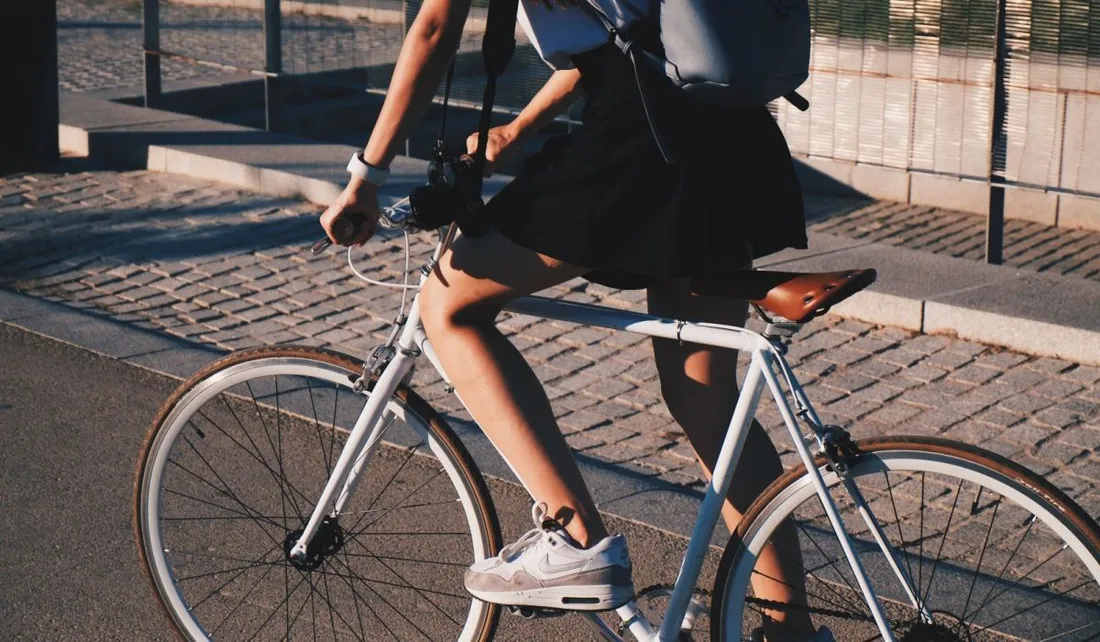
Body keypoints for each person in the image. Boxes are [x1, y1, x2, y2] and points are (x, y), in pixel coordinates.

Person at [320, 0, 830, 639]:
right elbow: (624, 36)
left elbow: (433, 27)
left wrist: (364, 175)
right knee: (705, 396)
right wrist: (521, 129)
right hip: (727, 129)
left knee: (447, 305)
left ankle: (574, 539)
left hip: (638, 139)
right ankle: (790, 631)